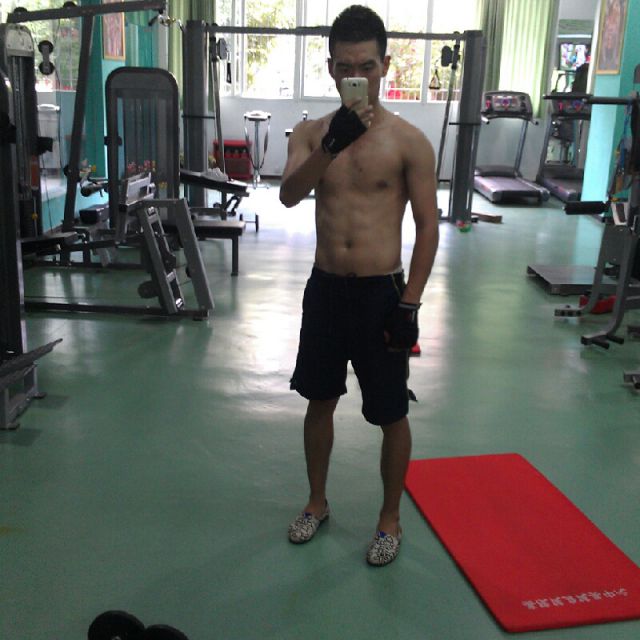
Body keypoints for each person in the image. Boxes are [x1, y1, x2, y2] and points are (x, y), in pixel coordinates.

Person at [280, 4, 439, 567]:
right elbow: (288, 195)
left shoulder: (409, 141)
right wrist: (332, 145)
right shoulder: (311, 133)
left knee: (391, 413)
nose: (358, 78)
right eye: (346, 68)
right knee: (318, 401)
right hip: (325, 291)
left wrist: (410, 303)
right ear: (330, 69)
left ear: (385, 66)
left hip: (381, 295)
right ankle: (316, 503)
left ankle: (389, 518)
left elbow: (428, 227)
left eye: (367, 66)